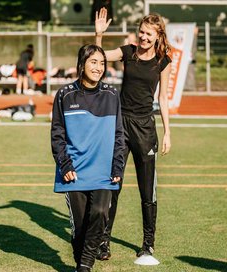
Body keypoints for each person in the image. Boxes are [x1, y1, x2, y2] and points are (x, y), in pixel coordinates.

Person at [95, 8, 172, 260]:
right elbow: (99, 58)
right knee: (112, 186)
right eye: (141, 32)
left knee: (146, 190)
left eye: (149, 34)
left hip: (145, 129)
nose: (143, 37)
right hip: (120, 126)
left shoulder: (163, 61)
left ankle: (148, 244)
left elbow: (162, 98)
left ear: (158, 35)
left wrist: (167, 132)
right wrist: (99, 36)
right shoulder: (128, 51)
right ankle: (103, 242)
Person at [51, 44, 125, 272]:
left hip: (103, 172)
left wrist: (117, 167)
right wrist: (65, 165)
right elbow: (57, 133)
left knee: (101, 213)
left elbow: (119, 134)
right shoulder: (65, 94)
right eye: (93, 62)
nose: (99, 67)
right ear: (82, 64)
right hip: (75, 172)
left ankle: (85, 266)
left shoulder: (112, 95)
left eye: (102, 63)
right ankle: (81, 259)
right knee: (81, 227)